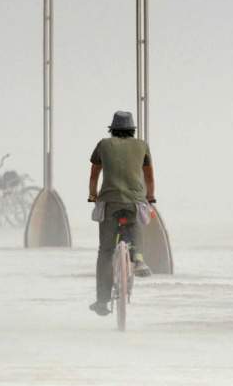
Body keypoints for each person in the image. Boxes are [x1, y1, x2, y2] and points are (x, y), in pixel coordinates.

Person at [88, 110, 156, 316]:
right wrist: (150, 197)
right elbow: (149, 178)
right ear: (132, 130)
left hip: (109, 202)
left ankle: (102, 301)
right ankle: (139, 258)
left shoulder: (103, 145)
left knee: (106, 251)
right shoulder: (142, 145)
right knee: (135, 225)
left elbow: (94, 175)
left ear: (112, 130)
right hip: (135, 201)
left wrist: (93, 195)